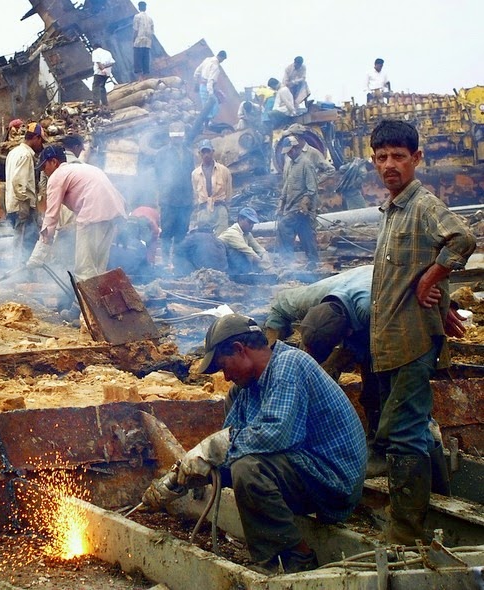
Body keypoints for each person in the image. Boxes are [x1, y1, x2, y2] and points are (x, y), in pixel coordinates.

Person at [145, 314, 366, 574]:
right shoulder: (244, 390)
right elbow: (231, 450)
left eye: (224, 366)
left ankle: (297, 559)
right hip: (301, 469)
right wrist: (181, 478)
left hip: (333, 480)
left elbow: (277, 435)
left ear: (240, 350)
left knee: (248, 470)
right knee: (238, 464)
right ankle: (277, 551)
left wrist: (212, 449)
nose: (225, 376)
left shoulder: (288, 366)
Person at [368, 120, 476, 543]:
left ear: (417, 159)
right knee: (415, 423)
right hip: (393, 337)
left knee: (403, 431)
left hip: (412, 339)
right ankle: (439, 500)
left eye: (398, 156)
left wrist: (432, 280)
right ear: (373, 161)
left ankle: (405, 529)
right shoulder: (392, 210)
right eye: (382, 157)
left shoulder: (422, 204)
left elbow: (461, 239)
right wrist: (439, 292)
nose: (390, 165)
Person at [264, 265, 378, 433]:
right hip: (353, 286)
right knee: (308, 366)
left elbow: (376, 351)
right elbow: (278, 307)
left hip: (382, 292)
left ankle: (376, 431)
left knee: (375, 378)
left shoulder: (371, 311)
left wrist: (337, 361)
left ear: (348, 333)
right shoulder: (307, 299)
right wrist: (269, 356)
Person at [35, 145, 127, 282]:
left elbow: (51, 215)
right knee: (98, 267)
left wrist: (39, 253)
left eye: (44, 167)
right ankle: (98, 302)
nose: (44, 171)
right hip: (113, 214)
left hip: (92, 215)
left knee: (84, 269)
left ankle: (86, 303)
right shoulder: (85, 168)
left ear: (54, 162)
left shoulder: (57, 175)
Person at [5, 122, 46, 264]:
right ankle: (19, 272)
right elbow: (19, 182)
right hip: (22, 205)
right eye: (41, 141)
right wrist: (26, 205)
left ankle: (18, 270)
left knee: (19, 239)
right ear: (35, 138)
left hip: (12, 204)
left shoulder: (13, 152)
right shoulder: (26, 155)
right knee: (23, 241)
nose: (41, 145)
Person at [276, 135, 319, 268]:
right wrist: (281, 204)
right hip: (290, 206)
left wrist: (304, 202)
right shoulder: (289, 164)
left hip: (301, 207)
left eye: (291, 150)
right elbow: (286, 186)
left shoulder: (306, 164)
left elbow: (312, 189)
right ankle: (313, 260)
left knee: (284, 225)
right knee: (305, 232)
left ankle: (287, 260)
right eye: (287, 152)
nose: (289, 154)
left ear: (296, 148)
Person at [155, 123, 195, 264]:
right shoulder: (161, 154)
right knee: (167, 232)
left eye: (179, 137)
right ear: (170, 137)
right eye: (175, 137)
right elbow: (158, 175)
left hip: (185, 200)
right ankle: (166, 262)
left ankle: (178, 263)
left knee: (181, 232)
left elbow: (192, 176)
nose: (177, 139)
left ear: (183, 136)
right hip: (168, 200)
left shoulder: (189, 154)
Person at [191, 139, 233, 234]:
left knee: (221, 238)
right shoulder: (195, 174)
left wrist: (226, 208)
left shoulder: (224, 170)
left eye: (208, 151)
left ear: (212, 152)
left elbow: (229, 191)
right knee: (204, 238)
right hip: (203, 209)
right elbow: (195, 194)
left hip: (220, 208)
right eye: (203, 152)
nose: (206, 155)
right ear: (199, 154)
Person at [217, 207, 271, 274]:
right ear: (240, 219)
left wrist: (264, 255)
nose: (251, 225)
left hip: (233, 263)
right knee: (244, 254)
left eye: (253, 223)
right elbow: (247, 250)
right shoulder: (233, 233)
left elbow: (259, 249)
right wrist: (264, 264)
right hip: (223, 265)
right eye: (249, 222)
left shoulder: (247, 234)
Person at [191, 50, 227, 136]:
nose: (222, 61)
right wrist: (211, 93)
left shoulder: (207, 60)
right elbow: (210, 81)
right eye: (223, 60)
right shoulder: (215, 66)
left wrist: (196, 83)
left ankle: (206, 125)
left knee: (207, 108)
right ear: (221, 57)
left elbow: (197, 72)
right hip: (208, 88)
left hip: (202, 87)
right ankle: (206, 128)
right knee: (212, 108)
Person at [132, 1, 154, 81]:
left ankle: (140, 78)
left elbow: (135, 29)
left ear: (139, 7)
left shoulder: (137, 16)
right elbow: (152, 32)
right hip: (147, 42)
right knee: (145, 59)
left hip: (139, 40)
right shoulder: (150, 19)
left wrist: (133, 39)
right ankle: (146, 77)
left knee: (138, 59)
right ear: (145, 8)